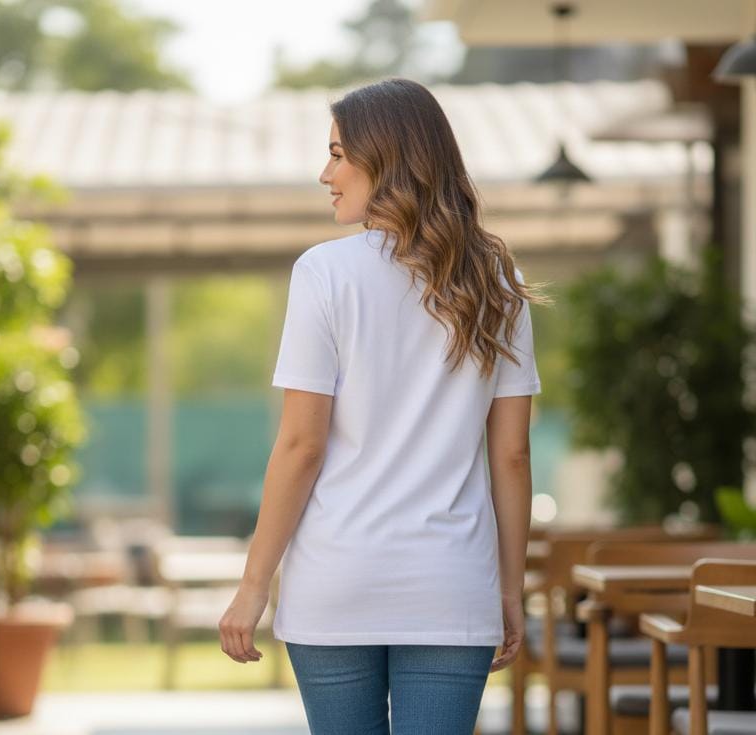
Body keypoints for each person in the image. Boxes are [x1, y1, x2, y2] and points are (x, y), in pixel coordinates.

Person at [218, 77, 542, 735]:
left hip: (337, 581)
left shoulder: (323, 274)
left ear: (385, 159)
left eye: (338, 153)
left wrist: (254, 584)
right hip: (450, 584)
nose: (325, 173)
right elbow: (510, 453)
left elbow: (302, 445)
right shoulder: (496, 281)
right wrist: (510, 590)